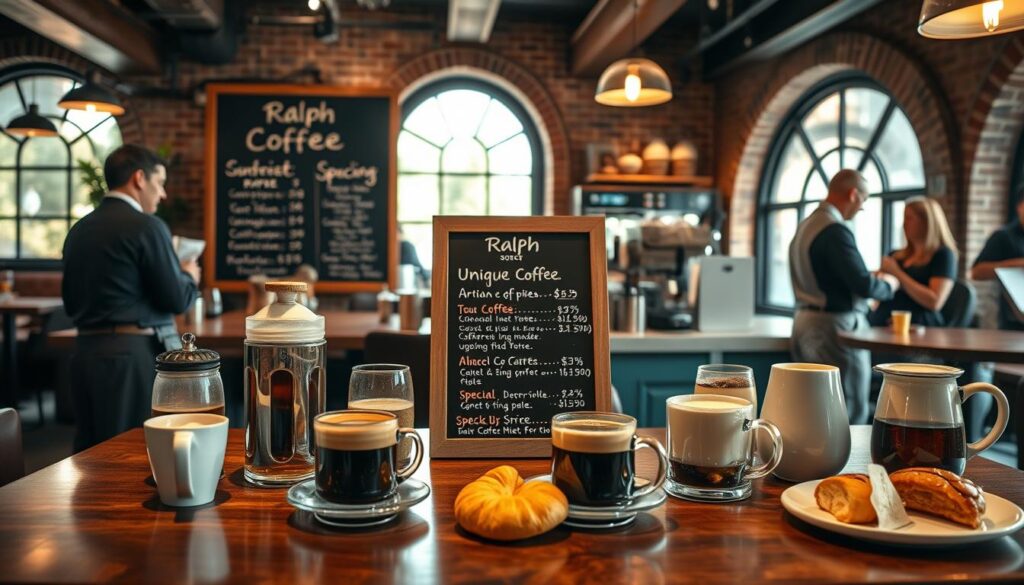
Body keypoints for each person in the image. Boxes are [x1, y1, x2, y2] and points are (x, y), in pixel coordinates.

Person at [62, 145, 200, 451]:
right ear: (140, 178)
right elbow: (175, 299)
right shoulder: (148, 227)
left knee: (89, 455)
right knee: (129, 453)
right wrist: (189, 275)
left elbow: (70, 302)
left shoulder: (78, 229)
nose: (162, 194)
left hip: (84, 354)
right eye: (160, 183)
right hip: (129, 357)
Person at [789, 169, 899, 424]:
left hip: (804, 322)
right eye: (864, 199)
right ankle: (850, 465)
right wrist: (890, 284)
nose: (862, 208)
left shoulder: (807, 225)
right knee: (847, 407)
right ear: (853, 194)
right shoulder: (835, 230)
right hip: (833, 328)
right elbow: (863, 284)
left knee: (814, 409)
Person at [870, 197, 958, 327]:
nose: (904, 224)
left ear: (926, 222)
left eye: (909, 218)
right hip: (884, 319)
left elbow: (934, 302)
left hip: (920, 324)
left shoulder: (943, 255)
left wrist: (898, 274)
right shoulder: (895, 255)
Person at [970, 191, 1024, 330]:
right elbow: (977, 272)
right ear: (1020, 207)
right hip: (1011, 316)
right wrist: (1016, 264)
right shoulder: (1003, 237)